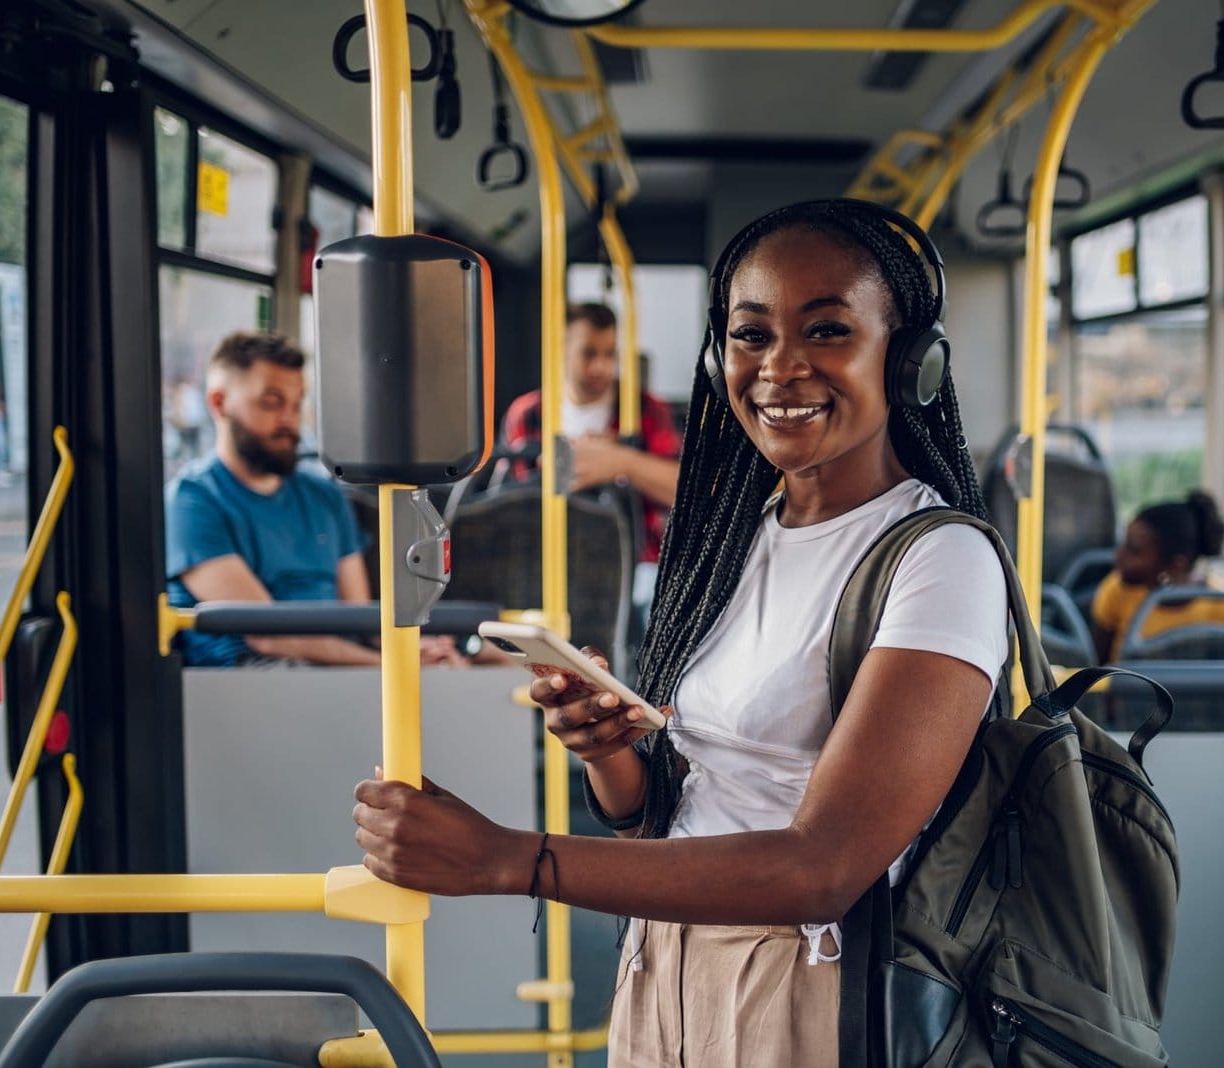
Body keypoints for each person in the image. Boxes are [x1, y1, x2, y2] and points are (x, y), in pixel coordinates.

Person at [353, 199, 1010, 1066]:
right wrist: (609, 752)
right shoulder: (735, 536)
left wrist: (509, 860)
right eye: (751, 335)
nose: (779, 368)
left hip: (811, 990)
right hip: (663, 957)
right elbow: (670, 819)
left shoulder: (943, 561)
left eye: (826, 330)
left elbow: (824, 867)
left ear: (909, 361)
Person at [166, 331, 464, 669]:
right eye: (271, 403)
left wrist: (417, 651)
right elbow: (267, 635)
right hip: (253, 673)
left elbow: (358, 617)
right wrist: (387, 667)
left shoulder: (324, 495)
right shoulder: (191, 503)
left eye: (296, 405)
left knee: (473, 658)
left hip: (340, 662)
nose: (289, 421)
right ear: (219, 403)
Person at [500, 302, 682, 562]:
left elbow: (683, 491)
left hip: (633, 556)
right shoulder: (527, 413)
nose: (601, 367)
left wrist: (620, 461)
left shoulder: (644, 410)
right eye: (588, 354)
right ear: (561, 350)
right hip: (543, 555)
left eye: (610, 354)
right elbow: (506, 496)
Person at [1091, 489, 1224, 661]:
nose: (1118, 557)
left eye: (1134, 551)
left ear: (1177, 564)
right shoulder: (1116, 591)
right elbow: (1098, 665)